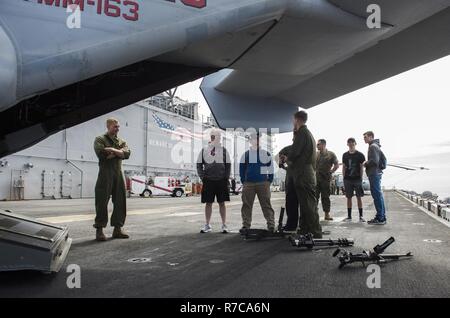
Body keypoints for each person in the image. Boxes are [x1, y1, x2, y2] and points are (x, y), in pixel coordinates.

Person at [93, 118, 131, 241]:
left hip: (118, 174)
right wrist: (119, 153)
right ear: (108, 126)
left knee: (120, 201)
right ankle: (99, 230)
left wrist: (112, 150)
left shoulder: (121, 141)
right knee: (102, 201)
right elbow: (101, 154)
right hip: (105, 173)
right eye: (115, 126)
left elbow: (127, 154)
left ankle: (117, 229)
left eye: (118, 127)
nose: (117, 129)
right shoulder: (100, 139)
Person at [287, 111, 322, 238]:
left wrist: (286, 158)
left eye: (293, 119)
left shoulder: (302, 133)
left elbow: (295, 152)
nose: (292, 122)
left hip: (303, 173)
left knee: (308, 205)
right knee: (305, 204)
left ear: (297, 119)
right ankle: (305, 230)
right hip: (307, 172)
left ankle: (315, 232)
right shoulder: (309, 134)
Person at [239, 132, 275, 232]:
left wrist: (269, 180)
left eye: (258, 139)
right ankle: (246, 225)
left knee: (266, 205)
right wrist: (244, 181)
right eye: (254, 139)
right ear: (251, 141)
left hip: (263, 183)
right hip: (249, 184)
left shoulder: (265, 154)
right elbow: (242, 168)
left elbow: (270, 167)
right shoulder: (246, 155)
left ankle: (271, 225)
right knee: (246, 205)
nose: (256, 141)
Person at [197, 129, 231, 233]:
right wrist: (203, 177)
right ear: (211, 138)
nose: (216, 138)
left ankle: (224, 225)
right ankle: (207, 225)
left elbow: (228, 165)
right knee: (208, 203)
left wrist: (226, 177)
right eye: (214, 136)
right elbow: (199, 164)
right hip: (208, 181)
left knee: (222, 203)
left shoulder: (224, 150)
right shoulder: (204, 150)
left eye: (217, 136)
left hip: (221, 180)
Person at [363, 131, 387, 225]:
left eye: (365, 137)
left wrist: (366, 163)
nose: (364, 139)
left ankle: (380, 218)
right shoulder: (375, 146)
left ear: (371, 137)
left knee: (377, 196)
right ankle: (381, 216)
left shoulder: (373, 146)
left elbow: (375, 161)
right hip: (376, 173)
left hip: (374, 173)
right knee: (378, 196)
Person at [342, 138, 366, 222]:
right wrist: (344, 178)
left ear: (355, 143)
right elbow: (344, 167)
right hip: (347, 179)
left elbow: (361, 167)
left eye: (352, 142)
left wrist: (361, 178)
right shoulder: (345, 155)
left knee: (359, 197)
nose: (351, 144)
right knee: (349, 197)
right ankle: (349, 216)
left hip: (357, 179)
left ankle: (361, 216)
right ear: (347, 144)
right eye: (349, 142)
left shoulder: (360, 155)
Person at [315, 139, 339, 220]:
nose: (317, 146)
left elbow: (336, 165)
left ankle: (327, 214)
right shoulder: (315, 154)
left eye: (318, 144)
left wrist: (331, 172)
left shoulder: (330, 154)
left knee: (325, 197)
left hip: (325, 179)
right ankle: (314, 213)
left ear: (324, 145)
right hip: (316, 179)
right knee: (315, 197)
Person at [278, 143, 299, 233]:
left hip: (303, 178)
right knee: (290, 203)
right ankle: (291, 225)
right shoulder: (288, 148)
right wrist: (283, 163)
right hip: (291, 180)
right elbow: (279, 156)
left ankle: (305, 225)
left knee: (306, 205)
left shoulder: (306, 147)